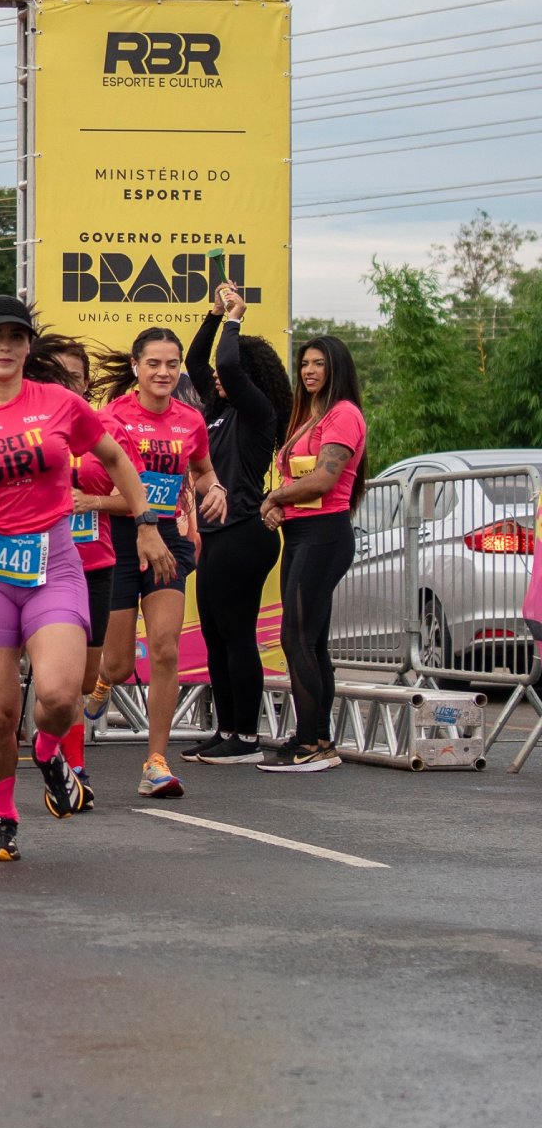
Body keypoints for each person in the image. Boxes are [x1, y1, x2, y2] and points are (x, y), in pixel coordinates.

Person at [0, 296, 155, 862]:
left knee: (58, 694)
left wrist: (146, 520)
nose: (4, 346)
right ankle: (3, 818)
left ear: (28, 346)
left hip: (52, 564)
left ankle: (49, 753)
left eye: (15, 336)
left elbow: (116, 459)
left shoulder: (59, 403)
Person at [92, 327, 225, 798]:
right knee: (119, 662)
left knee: (166, 648)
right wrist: (98, 504)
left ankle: (156, 761)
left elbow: (203, 470)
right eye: (153, 364)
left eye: (172, 364)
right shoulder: (113, 418)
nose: (163, 372)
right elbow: (118, 489)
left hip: (168, 537)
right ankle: (103, 681)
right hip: (122, 538)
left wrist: (215, 489)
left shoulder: (190, 420)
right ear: (136, 367)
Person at [184, 282, 290, 763]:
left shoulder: (257, 413)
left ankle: (246, 738)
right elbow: (198, 363)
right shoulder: (219, 411)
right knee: (215, 636)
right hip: (216, 537)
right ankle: (226, 729)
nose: (219, 377)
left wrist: (235, 318)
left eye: (231, 374)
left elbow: (226, 364)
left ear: (249, 377)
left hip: (244, 534)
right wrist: (212, 315)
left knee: (237, 635)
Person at [259, 334, 367, 773]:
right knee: (312, 640)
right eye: (304, 363)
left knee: (296, 637)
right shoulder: (310, 416)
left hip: (325, 535)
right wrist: (280, 506)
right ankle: (318, 737)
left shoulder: (343, 415)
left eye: (319, 363)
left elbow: (323, 480)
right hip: (301, 534)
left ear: (336, 368)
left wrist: (274, 498)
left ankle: (311, 743)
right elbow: (299, 482)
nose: (309, 371)